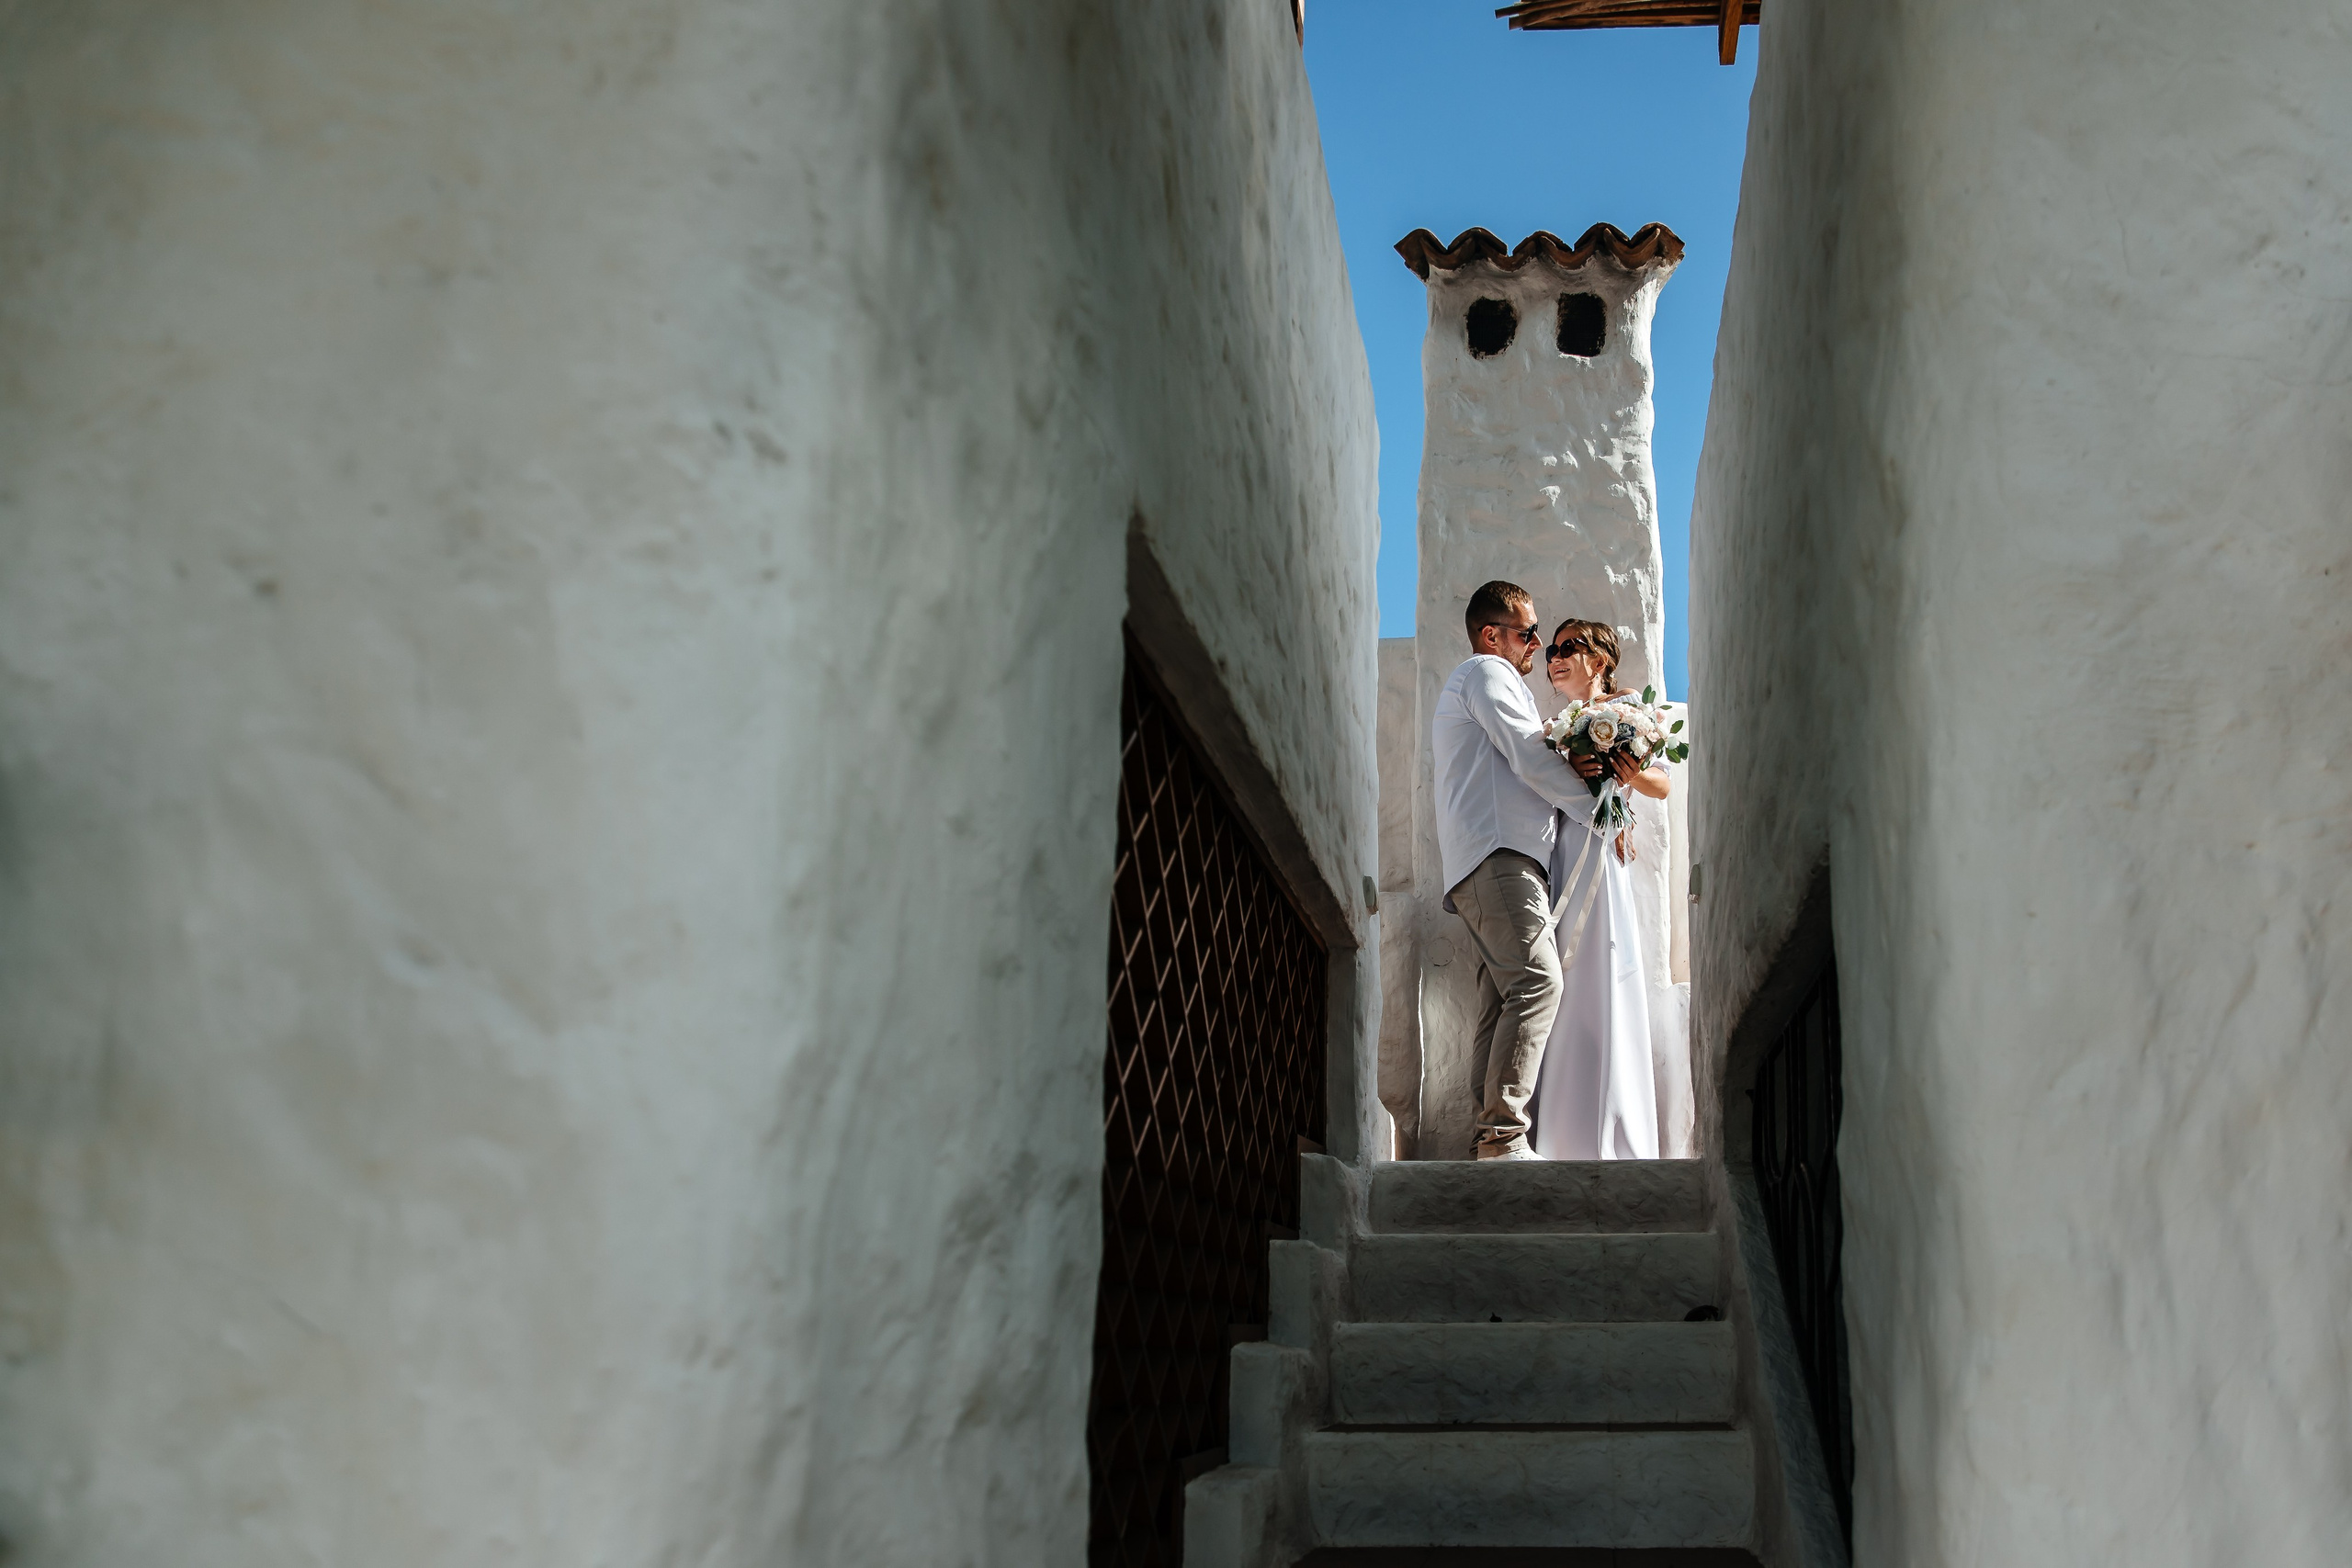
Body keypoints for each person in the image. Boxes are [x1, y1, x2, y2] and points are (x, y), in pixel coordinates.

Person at [1430, 582, 1609, 1160]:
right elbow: (1527, 756)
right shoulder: (1486, 672)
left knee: (1502, 998)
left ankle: (1488, 1137)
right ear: (1491, 634)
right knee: (1537, 982)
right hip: (1498, 856)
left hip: (1494, 859)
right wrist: (1600, 811)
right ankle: (1502, 1136)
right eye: (1528, 631)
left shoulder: (1486, 680)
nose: (1537, 642)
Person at [1527, 619, 1669, 1160]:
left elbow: (1661, 783)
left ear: (1600, 659)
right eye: (1552, 652)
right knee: (1562, 981)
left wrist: (1625, 771)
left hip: (1604, 858)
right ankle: (1562, 1133)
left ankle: (1619, 1133)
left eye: (1568, 649)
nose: (1555, 659)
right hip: (1562, 855)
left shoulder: (1631, 710)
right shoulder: (1550, 729)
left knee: (1606, 972)